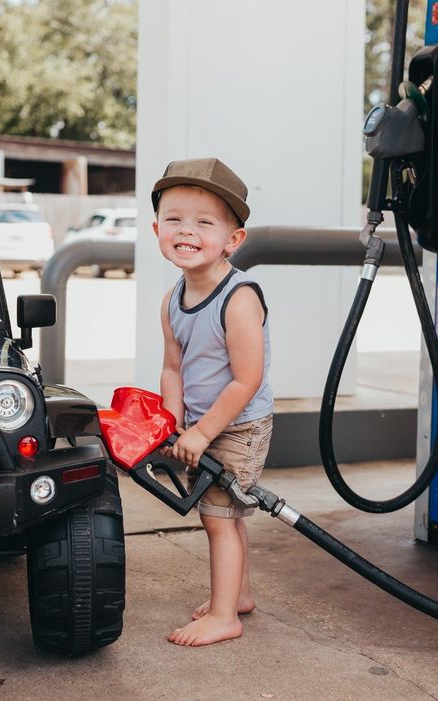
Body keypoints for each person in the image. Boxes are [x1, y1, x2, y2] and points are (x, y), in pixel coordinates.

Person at [152, 158, 274, 647]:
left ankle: (225, 615)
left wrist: (203, 433)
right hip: (201, 424)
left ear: (233, 239)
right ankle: (238, 594)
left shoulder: (238, 297)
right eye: (175, 219)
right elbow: (172, 368)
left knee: (217, 517)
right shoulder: (172, 298)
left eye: (205, 222)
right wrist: (173, 419)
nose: (187, 230)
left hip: (239, 425)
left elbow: (247, 378)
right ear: (157, 228)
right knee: (227, 512)